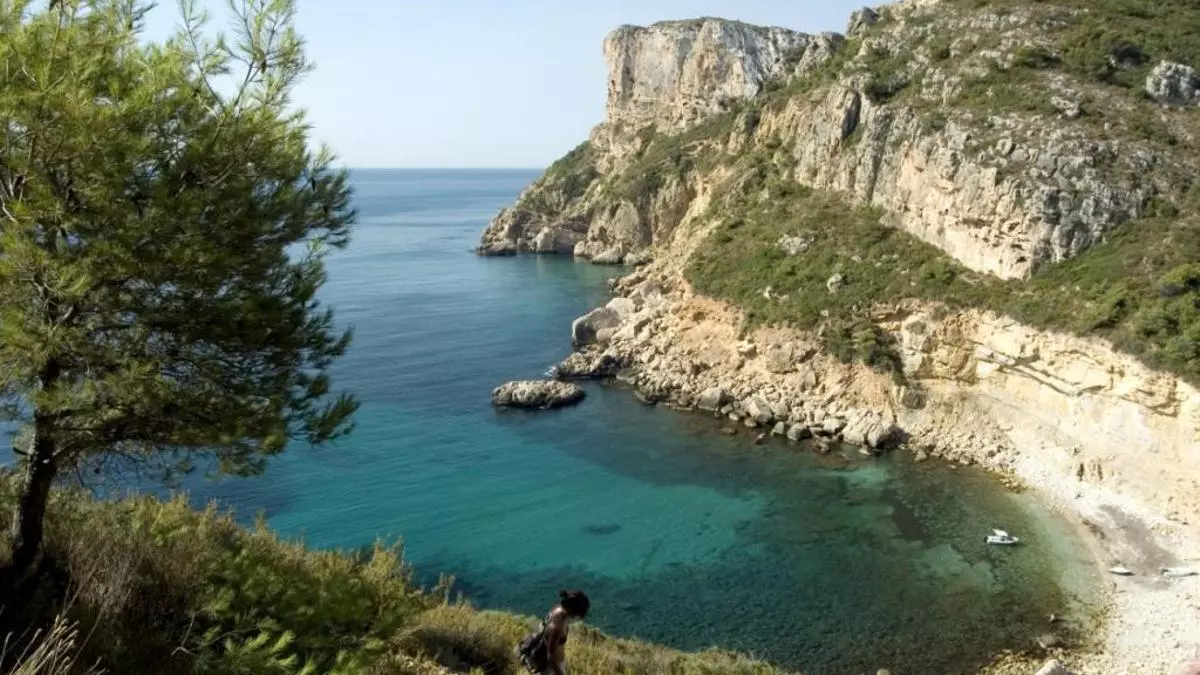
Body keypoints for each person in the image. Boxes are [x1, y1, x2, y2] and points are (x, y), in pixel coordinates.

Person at [518, 589, 590, 675]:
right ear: (572, 610)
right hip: (551, 669)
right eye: (578, 613)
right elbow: (551, 657)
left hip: (555, 663)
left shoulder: (557, 609)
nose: (577, 617)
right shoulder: (557, 627)